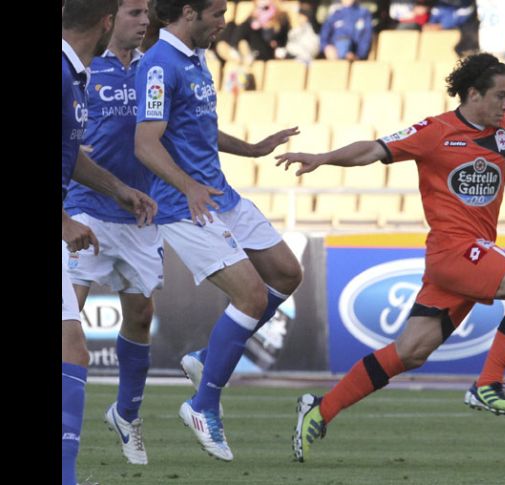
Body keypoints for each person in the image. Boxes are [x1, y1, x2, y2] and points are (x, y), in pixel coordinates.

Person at [276, 53, 505, 462]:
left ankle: (320, 409)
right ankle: (487, 384)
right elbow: (372, 150)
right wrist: (325, 158)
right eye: (500, 96)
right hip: (453, 250)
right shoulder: (435, 131)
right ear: (473, 94)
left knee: (411, 351)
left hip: (468, 258)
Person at [134, 0, 302, 462]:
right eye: (217, 14)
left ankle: (208, 361)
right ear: (188, 13)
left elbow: (199, 128)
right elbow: (146, 144)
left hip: (220, 196)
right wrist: (187, 186)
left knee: (287, 274)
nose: (224, 23)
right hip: (183, 206)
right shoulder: (157, 66)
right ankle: (203, 404)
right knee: (249, 296)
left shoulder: (196, 58)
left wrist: (252, 147)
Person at [62, 1, 157, 483]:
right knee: (67, 335)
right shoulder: (74, 68)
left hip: (132, 212)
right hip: (80, 213)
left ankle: (124, 416)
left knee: (135, 318)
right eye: (136, 11)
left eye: (148, 13)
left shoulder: (151, 69)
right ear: (107, 19)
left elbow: (174, 129)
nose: (144, 20)